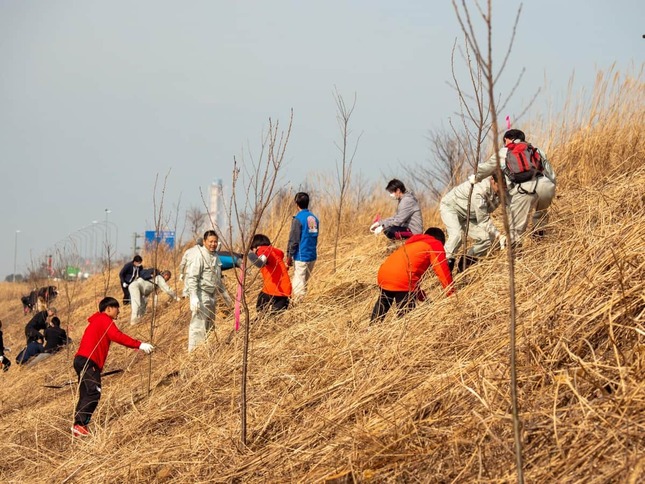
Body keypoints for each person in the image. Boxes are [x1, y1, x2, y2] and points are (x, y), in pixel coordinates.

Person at [72, 297, 154, 437]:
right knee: (94, 392)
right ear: (108, 309)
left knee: (86, 393)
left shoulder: (97, 320)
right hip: (89, 361)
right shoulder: (104, 319)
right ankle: (79, 425)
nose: (119, 311)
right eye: (117, 308)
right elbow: (117, 336)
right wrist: (139, 344)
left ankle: (79, 427)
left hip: (82, 361)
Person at [474, 129, 552, 243]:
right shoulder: (536, 150)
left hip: (525, 190)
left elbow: (485, 169)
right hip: (546, 186)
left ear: (507, 139)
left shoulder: (503, 152)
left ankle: (517, 257)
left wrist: (476, 178)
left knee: (515, 231)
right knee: (541, 214)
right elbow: (551, 175)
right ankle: (539, 236)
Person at [370, 227, 454, 324]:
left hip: (384, 274)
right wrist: (452, 295)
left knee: (383, 303)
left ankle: (370, 329)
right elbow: (442, 271)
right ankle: (401, 335)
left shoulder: (413, 243)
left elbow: (409, 272)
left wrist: (422, 296)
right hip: (403, 279)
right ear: (441, 241)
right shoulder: (435, 243)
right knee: (406, 320)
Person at [440, 174, 504, 272]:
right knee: (457, 236)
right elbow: (483, 220)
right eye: (500, 186)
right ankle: (444, 269)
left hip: (470, 215)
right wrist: (499, 235)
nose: (502, 189)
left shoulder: (503, 189)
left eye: (505, 187)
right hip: (451, 208)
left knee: (487, 238)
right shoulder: (479, 191)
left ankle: (464, 267)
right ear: (492, 180)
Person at [184, 230, 231, 352]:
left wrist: (227, 299)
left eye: (215, 241)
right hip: (201, 294)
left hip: (212, 295)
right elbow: (192, 278)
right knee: (198, 325)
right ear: (204, 242)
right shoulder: (200, 257)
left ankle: (206, 352)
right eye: (210, 241)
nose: (213, 244)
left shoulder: (215, 257)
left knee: (210, 325)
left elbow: (218, 280)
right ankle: (194, 353)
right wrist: (193, 297)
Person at [286, 192, 319, 299]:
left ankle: (299, 307)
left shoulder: (298, 219)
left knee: (298, 285)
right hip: (312, 255)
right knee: (304, 283)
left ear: (296, 203)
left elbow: (294, 239)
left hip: (301, 256)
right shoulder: (314, 218)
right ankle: (303, 302)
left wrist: (289, 256)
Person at [248, 234, 292, 313]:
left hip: (271, 288)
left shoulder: (262, 249)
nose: (253, 252)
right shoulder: (275, 252)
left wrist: (252, 256)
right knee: (276, 315)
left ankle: (260, 320)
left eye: (252, 249)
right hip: (285, 290)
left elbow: (263, 257)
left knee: (260, 307)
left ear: (256, 246)